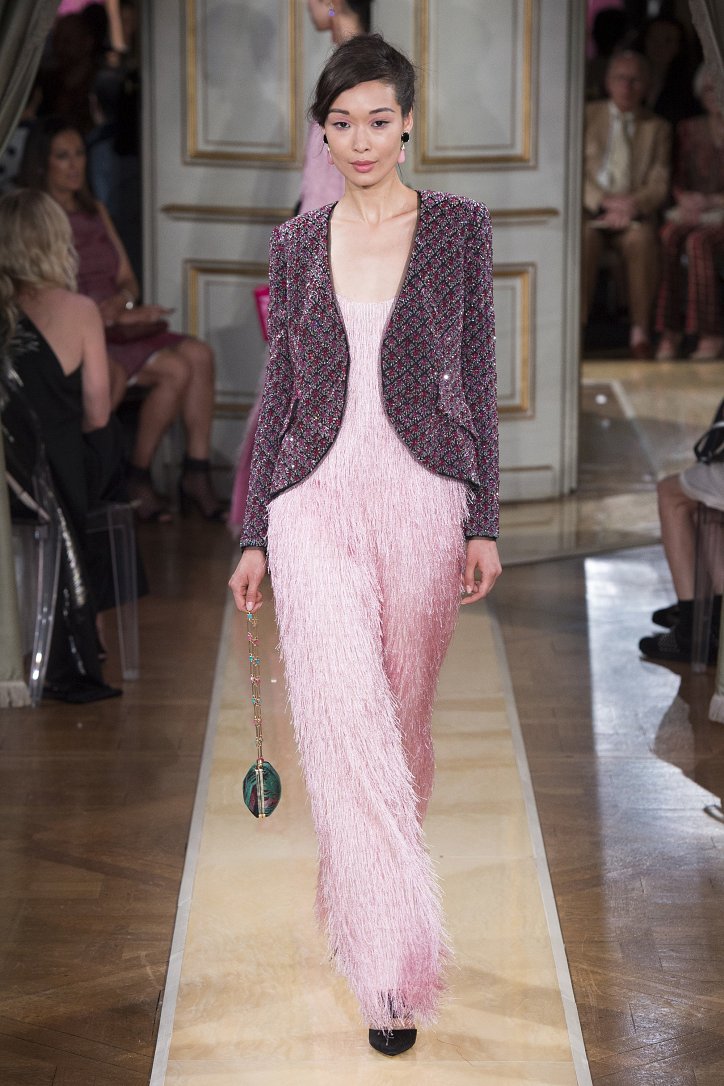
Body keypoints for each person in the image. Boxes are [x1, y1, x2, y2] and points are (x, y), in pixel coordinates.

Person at [228, 34, 501, 1055]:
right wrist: (257, 532)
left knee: (400, 729)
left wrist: (483, 518)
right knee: (343, 726)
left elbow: (478, 377)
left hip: (423, 498)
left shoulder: (459, 229)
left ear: (409, 122)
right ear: (323, 131)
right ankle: (390, 971)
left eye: (378, 120)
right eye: (340, 123)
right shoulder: (297, 242)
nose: (360, 140)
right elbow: (282, 392)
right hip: (314, 502)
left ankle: (361, 891)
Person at [19, 117, 225, 522]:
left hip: (118, 322)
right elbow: (46, 293)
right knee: (176, 370)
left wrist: (125, 305)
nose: (75, 165)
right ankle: (138, 476)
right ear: (43, 163)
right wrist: (103, 314)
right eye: (63, 156)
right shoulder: (39, 220)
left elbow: (128, 278)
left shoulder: (95, 210)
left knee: (199, 354)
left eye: (79, 154)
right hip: (84, 326)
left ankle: (196, 471)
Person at [228, 0, 371, 534]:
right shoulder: (362, 70)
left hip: (331, 261)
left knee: (312, 393)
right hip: (337, 255)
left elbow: (331, 190)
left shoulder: (351, 75)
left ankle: (303, 522)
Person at [0, 188, 123, 702]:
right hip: (52, 480)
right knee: (105, 461)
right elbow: (97, 412)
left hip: (7, 476)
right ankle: (90, 616)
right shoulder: (78, 309)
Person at [582, 50, 672, 358]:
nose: (627, 86)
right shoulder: (586, 116)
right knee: (582, 241)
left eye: (635, 80)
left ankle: (640, 332)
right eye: (620, 78)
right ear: (608, 82)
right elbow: (572, 172)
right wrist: (603, 203)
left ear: (647, 85)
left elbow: (659, 182)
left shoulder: (657, 127)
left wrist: (630, 206)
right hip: (591, 212)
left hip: (634, 214)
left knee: (642, 241)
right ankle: (577, 330)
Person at [655, 67, 724, 361]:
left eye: (718, 88)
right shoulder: (689, 129)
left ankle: (710, 333)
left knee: (699, 242)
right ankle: (669, 331)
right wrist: (687, 200)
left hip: (720, 213)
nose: (714, 95)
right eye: (708, 90)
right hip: (696, 211)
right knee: (670, 235)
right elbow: (677, 180)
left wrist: (712, 201)